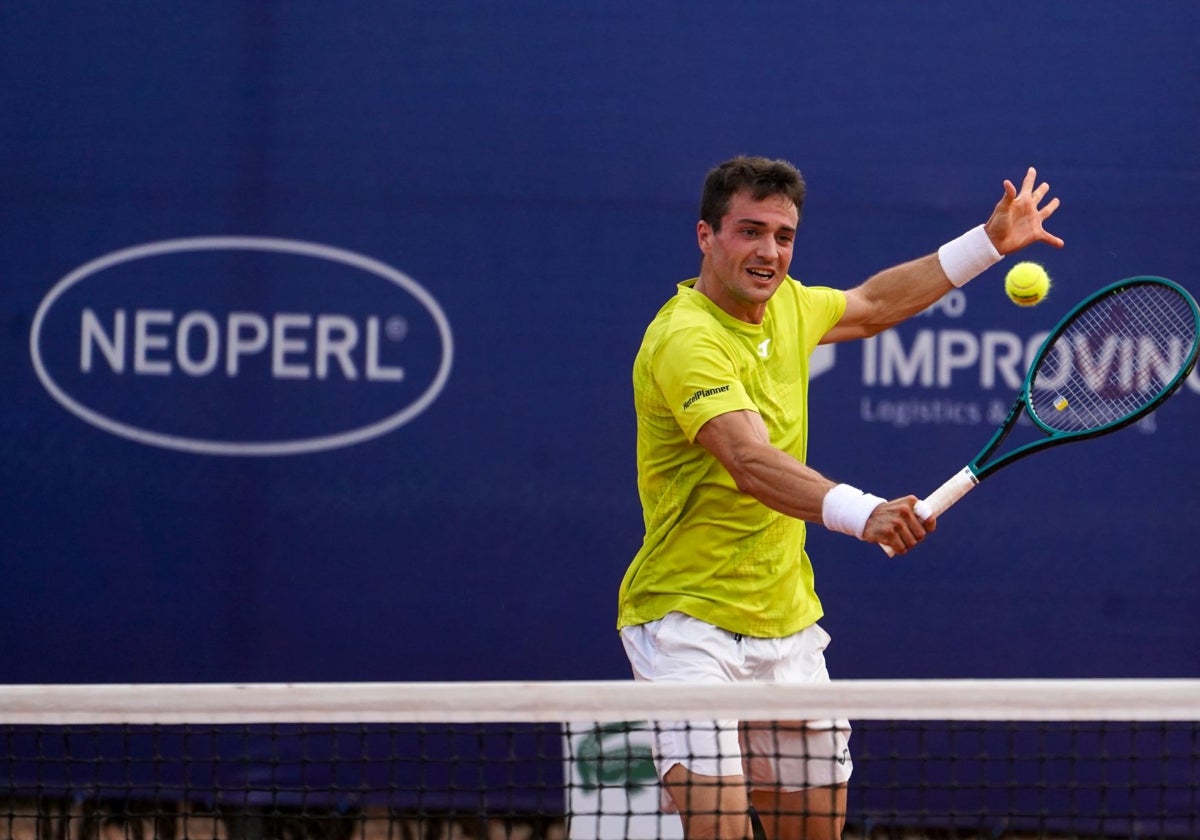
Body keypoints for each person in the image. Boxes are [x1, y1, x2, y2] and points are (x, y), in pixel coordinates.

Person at [616, 156, 1063, 840]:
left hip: (788, 621)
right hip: (687, 624)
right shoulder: (686, 338)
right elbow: (749, 461)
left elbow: (875, 303)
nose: (770, 252)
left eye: (784, 236)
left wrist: (988, 243)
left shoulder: (789, 303)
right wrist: (865, 513)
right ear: (706, 236)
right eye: (750, 231)